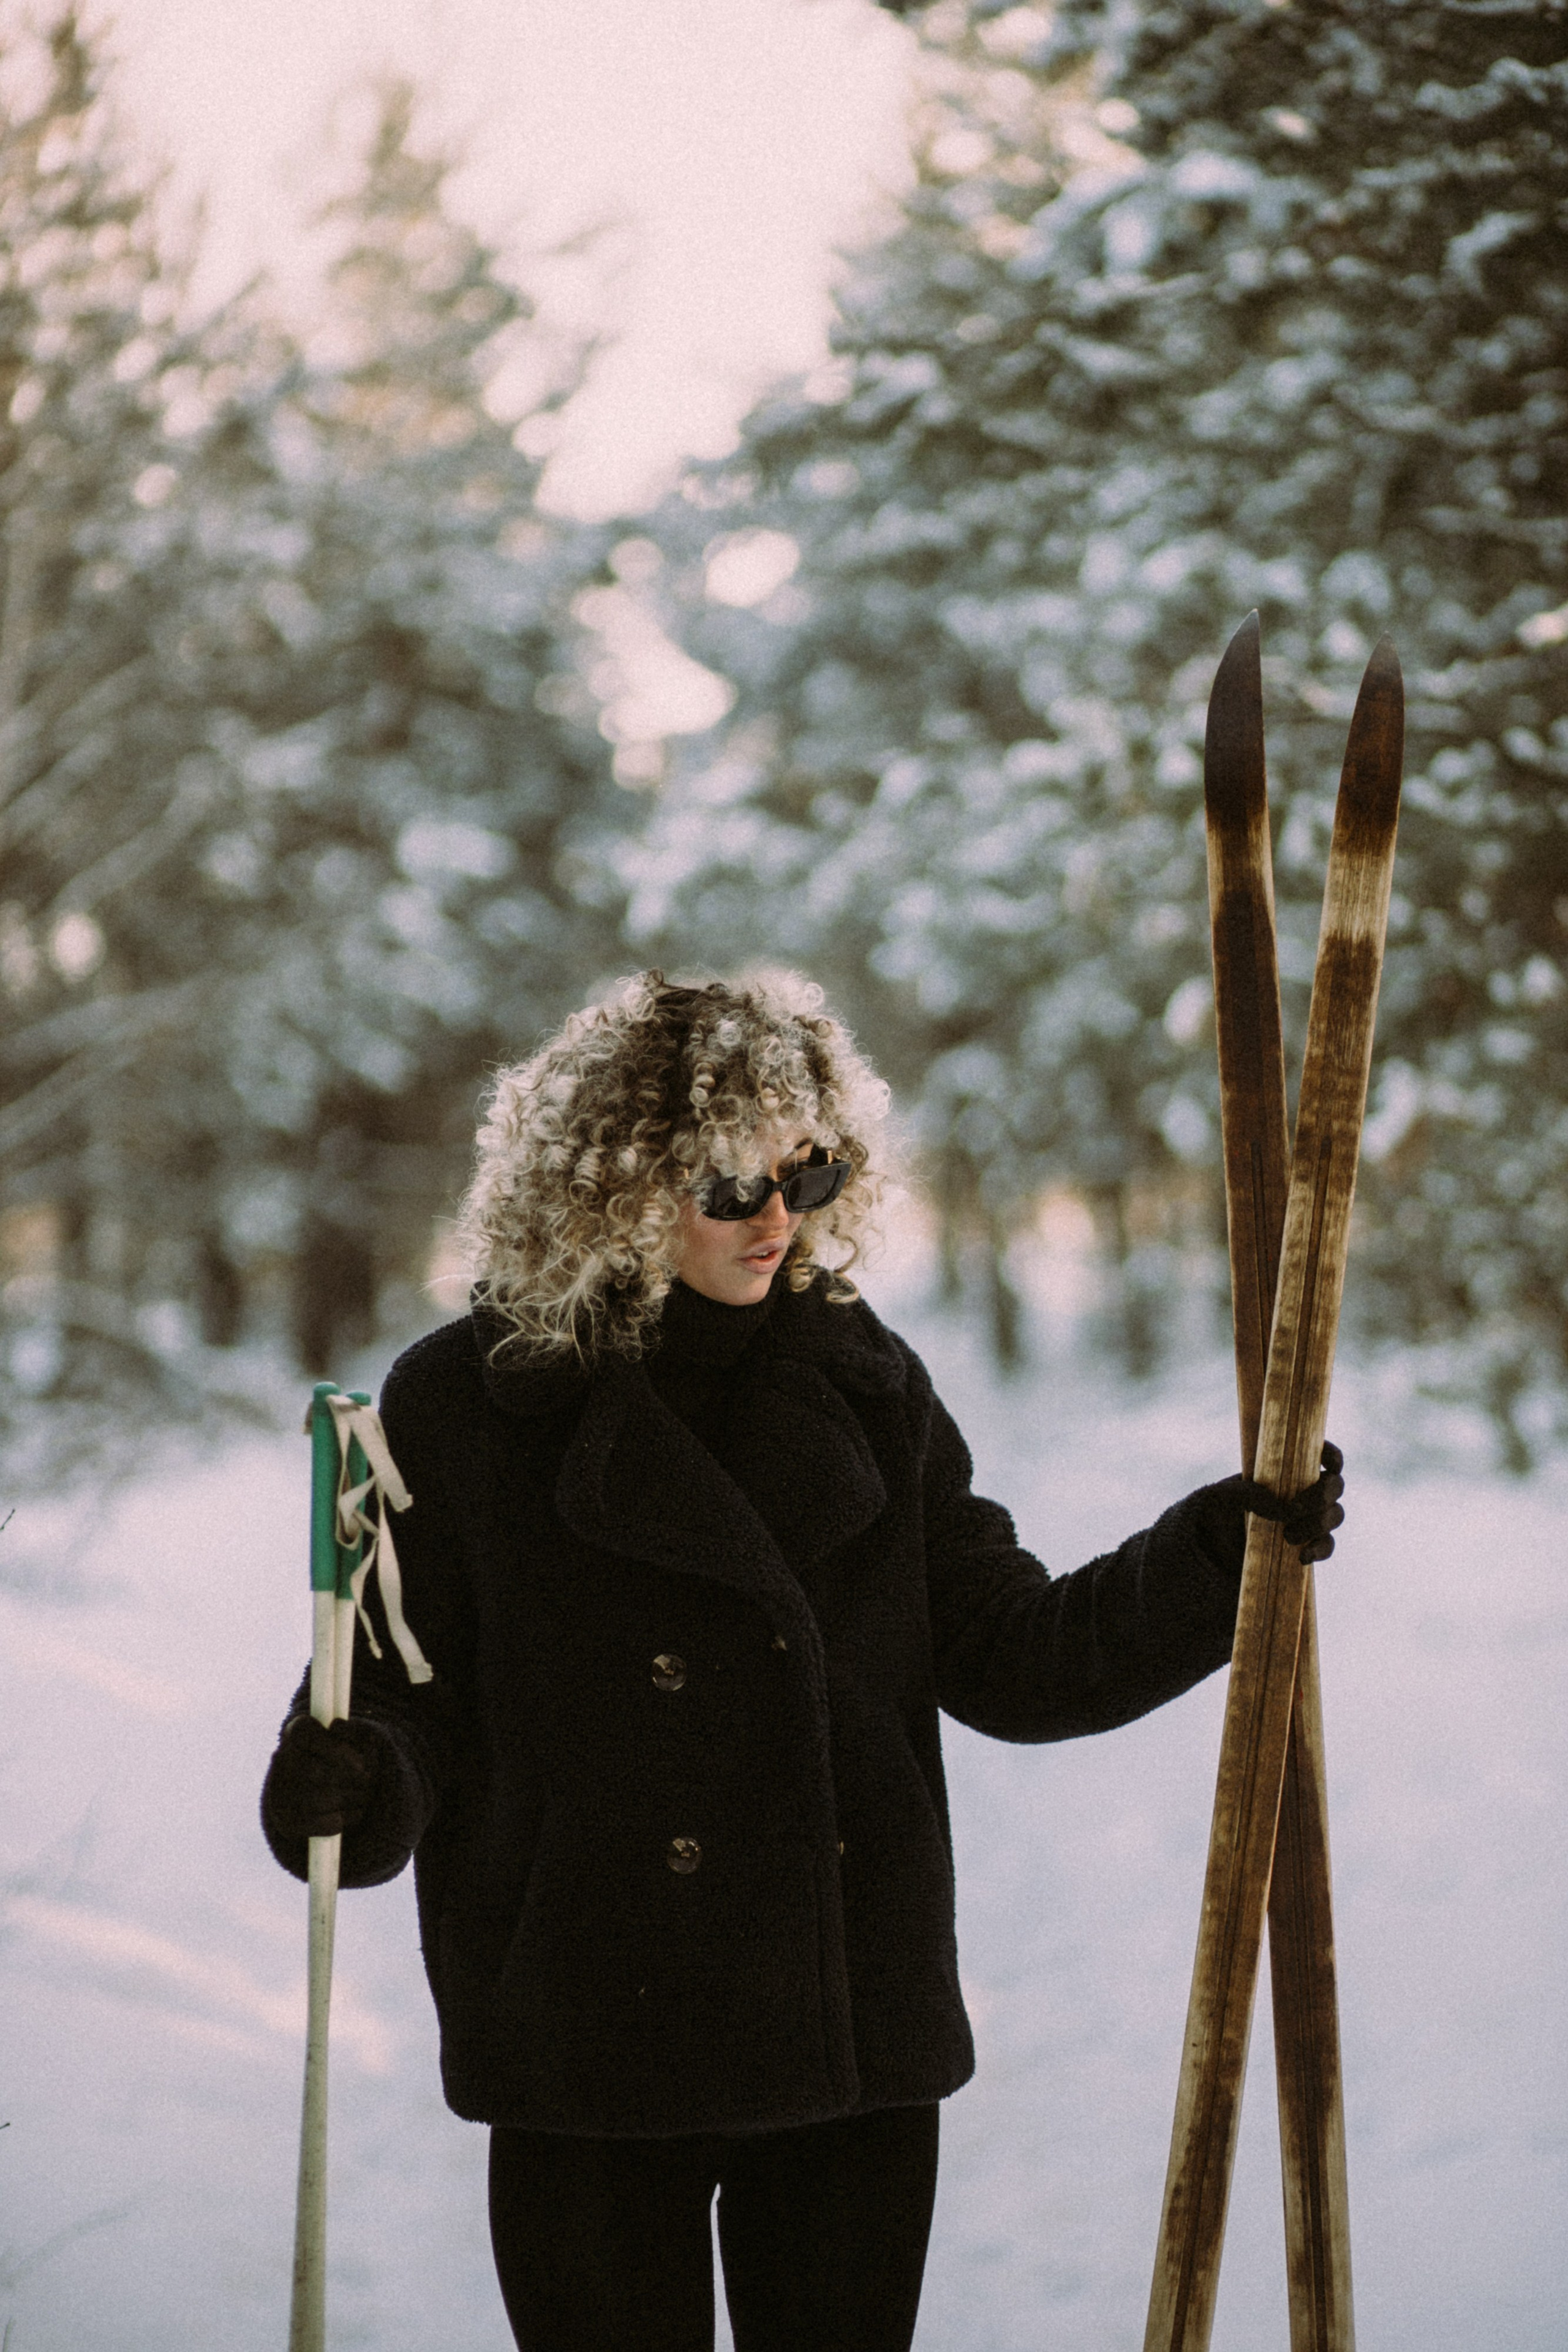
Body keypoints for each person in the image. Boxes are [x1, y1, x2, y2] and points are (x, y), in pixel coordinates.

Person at [260, 968, 1343, 2352]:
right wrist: (347, 1777)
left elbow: (1012, 1655)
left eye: (808, 1169)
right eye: (728, 1184)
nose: (777, 1218)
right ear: (614, 1180)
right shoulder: (467, 1403)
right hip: (590, 2039)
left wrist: (1212, 1561)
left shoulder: (858, 1379)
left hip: (841, 2039)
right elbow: (398, 1686)